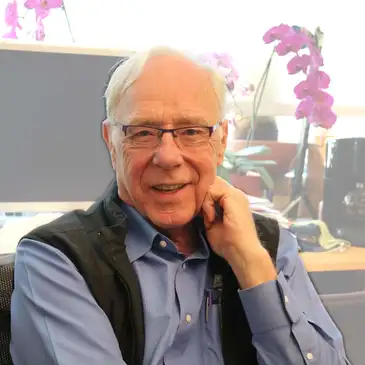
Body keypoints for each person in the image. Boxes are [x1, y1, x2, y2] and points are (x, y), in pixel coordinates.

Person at [10, 47, 350, 365]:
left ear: (220, 143)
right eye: (142, 132)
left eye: (191, 131)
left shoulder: (272, 248)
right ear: (111, 142)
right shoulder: (57, 259)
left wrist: (251, 264)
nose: (169, 156)